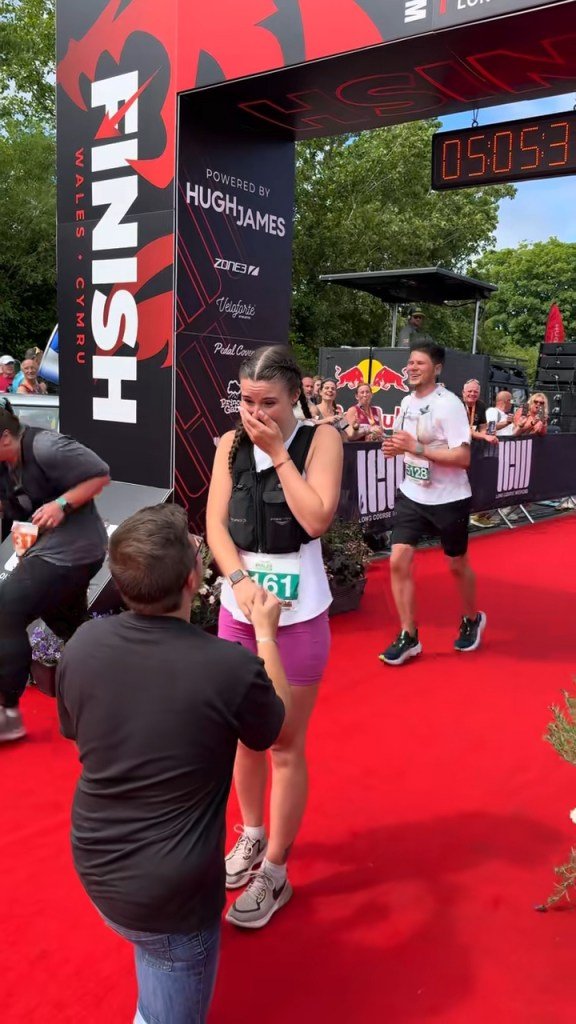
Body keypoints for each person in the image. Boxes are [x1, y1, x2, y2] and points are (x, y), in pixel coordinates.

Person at [56, 505, 290, 1024]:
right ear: (193, 579)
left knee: (152, 949)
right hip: (172, 896)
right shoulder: (228, 667)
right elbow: (279, 730)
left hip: (95, 860)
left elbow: (78, 735)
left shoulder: (84, 645)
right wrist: (267, 634)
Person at [206, 345, 343, 928]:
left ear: (295, 398)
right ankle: (253, 835)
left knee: (285, 742)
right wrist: (236, 579)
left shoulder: (321, 440)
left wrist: (280, 454)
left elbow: (315, 519)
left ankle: (277, 870)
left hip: (300, 614)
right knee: (243, 736)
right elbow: (213, 522)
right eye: (247, 400)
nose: (254, 412)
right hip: (240, 609)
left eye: (268, 402)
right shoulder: (229, 444)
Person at [0, 397, 110, 742]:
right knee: (69, 628)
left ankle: (7, 712)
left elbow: (100, 473)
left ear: (5, 437)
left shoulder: (47, 447)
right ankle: (119, 690)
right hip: (43, 551)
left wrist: (62, 504)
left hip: (78, 550)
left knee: (6, 610)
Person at [379, 342, 486, 665]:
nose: (412, 368)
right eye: (410, 362)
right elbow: (407, 443)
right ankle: (408, 635)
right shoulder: (406, 402)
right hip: (412, 494)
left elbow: (463, 457)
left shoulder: (449, 404)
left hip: (449, 498)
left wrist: (419, 449)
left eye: (420, 363)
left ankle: (472, 618)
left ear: (436, 368)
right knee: (398, 560)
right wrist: (396, 448)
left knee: (456, 564)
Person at [462, 379, 497, 446]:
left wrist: (489, 435)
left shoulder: (481, 405)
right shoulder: (457, 405)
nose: (472, 394)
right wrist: (484, 436)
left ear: (479, 393)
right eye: (470, 391)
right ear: (463, 392)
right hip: (457, 446)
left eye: (476, 392)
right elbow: (465, 430)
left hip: (474, 446)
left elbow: (483, 427)